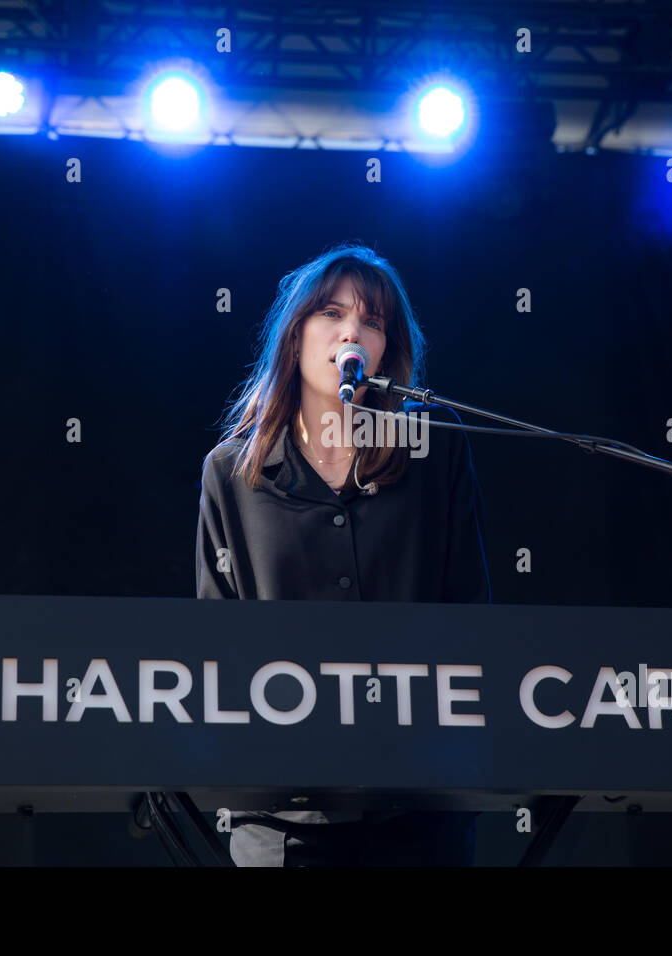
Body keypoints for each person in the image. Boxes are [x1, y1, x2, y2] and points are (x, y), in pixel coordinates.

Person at [195, 242, 491, 866]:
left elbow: (468, 611)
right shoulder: (232, 472)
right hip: (282, 809)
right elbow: (215, 633)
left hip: (416, 798)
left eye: (373, 322)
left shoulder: (432, 453)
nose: (351, 332)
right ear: (295, 335)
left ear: (387, 351)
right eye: (331, 314)